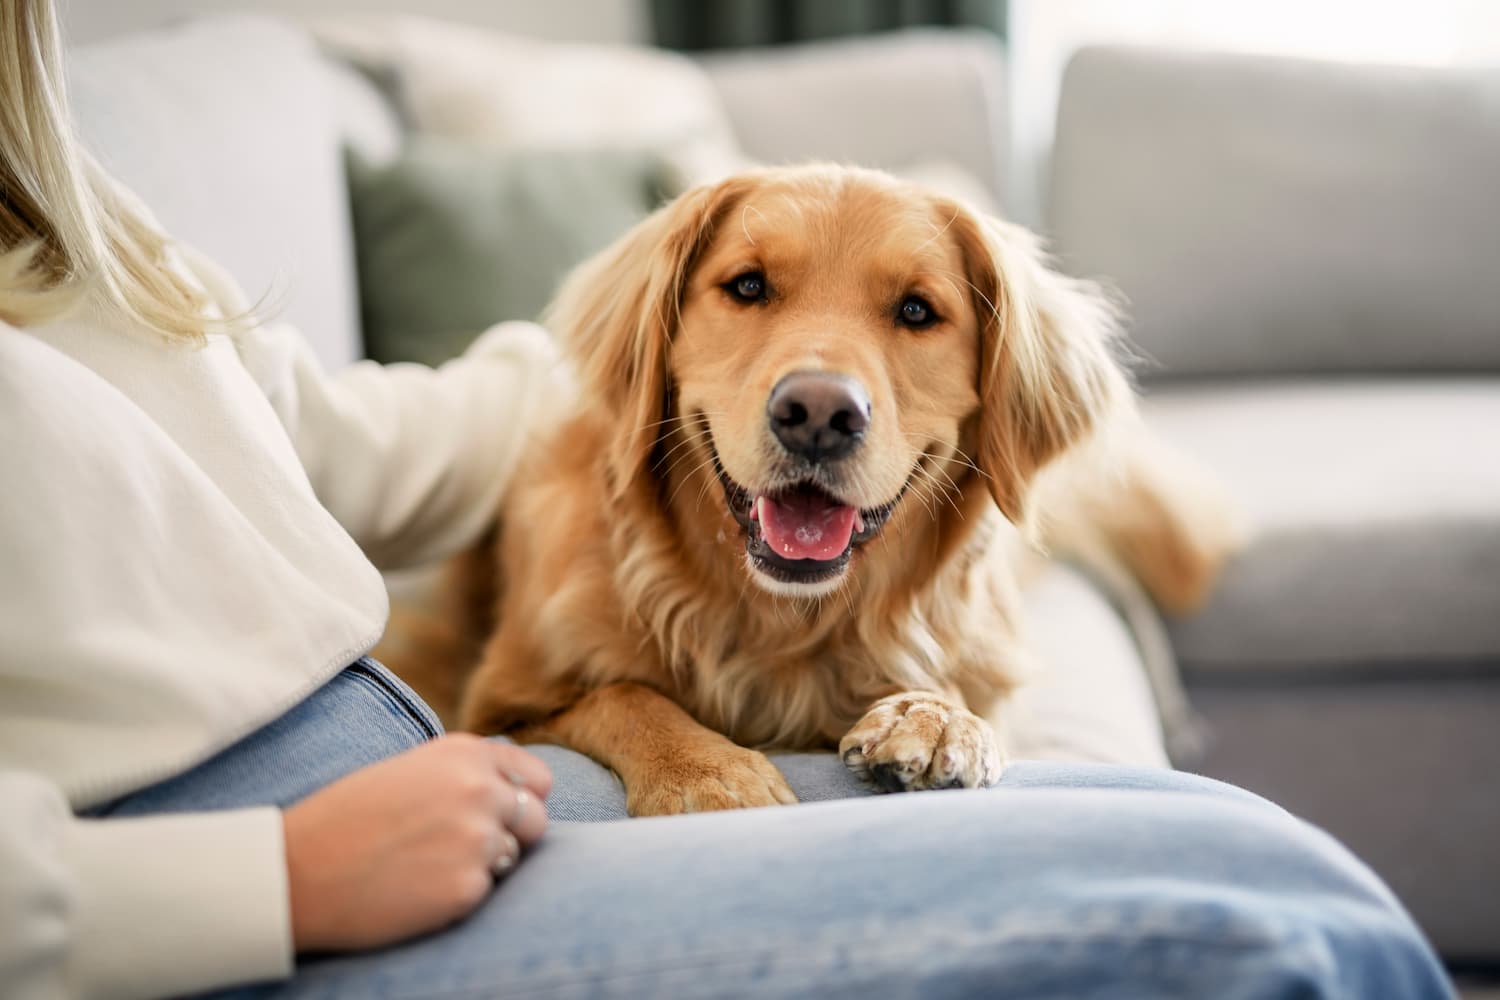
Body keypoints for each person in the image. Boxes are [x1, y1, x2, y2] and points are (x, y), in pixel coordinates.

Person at [0, 1, 1455, 997]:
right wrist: (274, 878)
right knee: (1257, 924)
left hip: (381, 771)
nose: (816, 392)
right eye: (746, 293)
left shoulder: (74, 222)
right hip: (299, 868)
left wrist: (664, 353)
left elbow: (328, 437)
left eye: (910, 315)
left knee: (1250, 854)